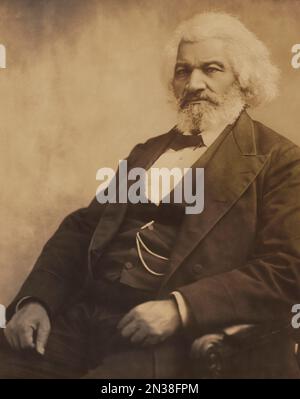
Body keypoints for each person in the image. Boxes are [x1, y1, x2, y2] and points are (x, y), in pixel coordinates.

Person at [1, 12, 300, 379]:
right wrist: (37, 300)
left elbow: (286, 267)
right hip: (85, 315)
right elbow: (83, 228)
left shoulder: (279, 160)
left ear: (242, 79)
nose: (194, 83)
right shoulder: (147, 151)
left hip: (168, 335)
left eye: (211, 69)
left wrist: (181, 309)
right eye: (183, 71)